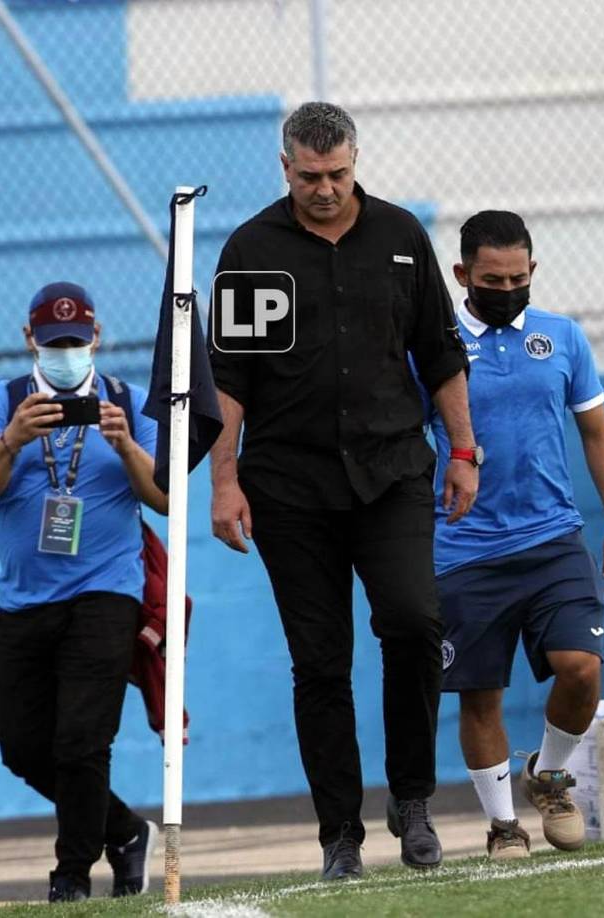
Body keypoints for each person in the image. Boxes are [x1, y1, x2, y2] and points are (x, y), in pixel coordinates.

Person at [207, 102, 478, 880]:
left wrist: (461, 450)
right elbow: (230, 381)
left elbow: (439, 352)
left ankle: (414, 800)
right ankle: (339, 836)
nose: (324, 190)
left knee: (413, 622)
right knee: (319, 662)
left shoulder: (399, 238)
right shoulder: (250, 249)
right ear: (283, 167)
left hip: (392, 470)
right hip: (289, 486)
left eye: (337, 175)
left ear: (355, 162)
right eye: (308, 177)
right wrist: (224, 481)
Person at [427, 211, 604, 860]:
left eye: (519, 277)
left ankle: (548, 776)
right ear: (462, 274)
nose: (508, 287)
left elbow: (596, 433)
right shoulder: (430, 347)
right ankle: (501, 827)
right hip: (463, 547)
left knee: (580, 670)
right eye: (493, 278)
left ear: (532, 270)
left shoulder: (562, 338)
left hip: (553, 538)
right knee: (479, 694)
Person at [0, 282, 167, 901]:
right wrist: (13, 439)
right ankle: (124, 830)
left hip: (107, 592)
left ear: (97, 337)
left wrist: (126, 445)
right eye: (54, 343)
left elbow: (164, 498)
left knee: (82, 740)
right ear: (30, 341)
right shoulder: (2, 402)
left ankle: (71, 876)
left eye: (76, 342)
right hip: (23, 600)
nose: (66, 352)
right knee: (22, 747)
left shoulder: (128, 403)